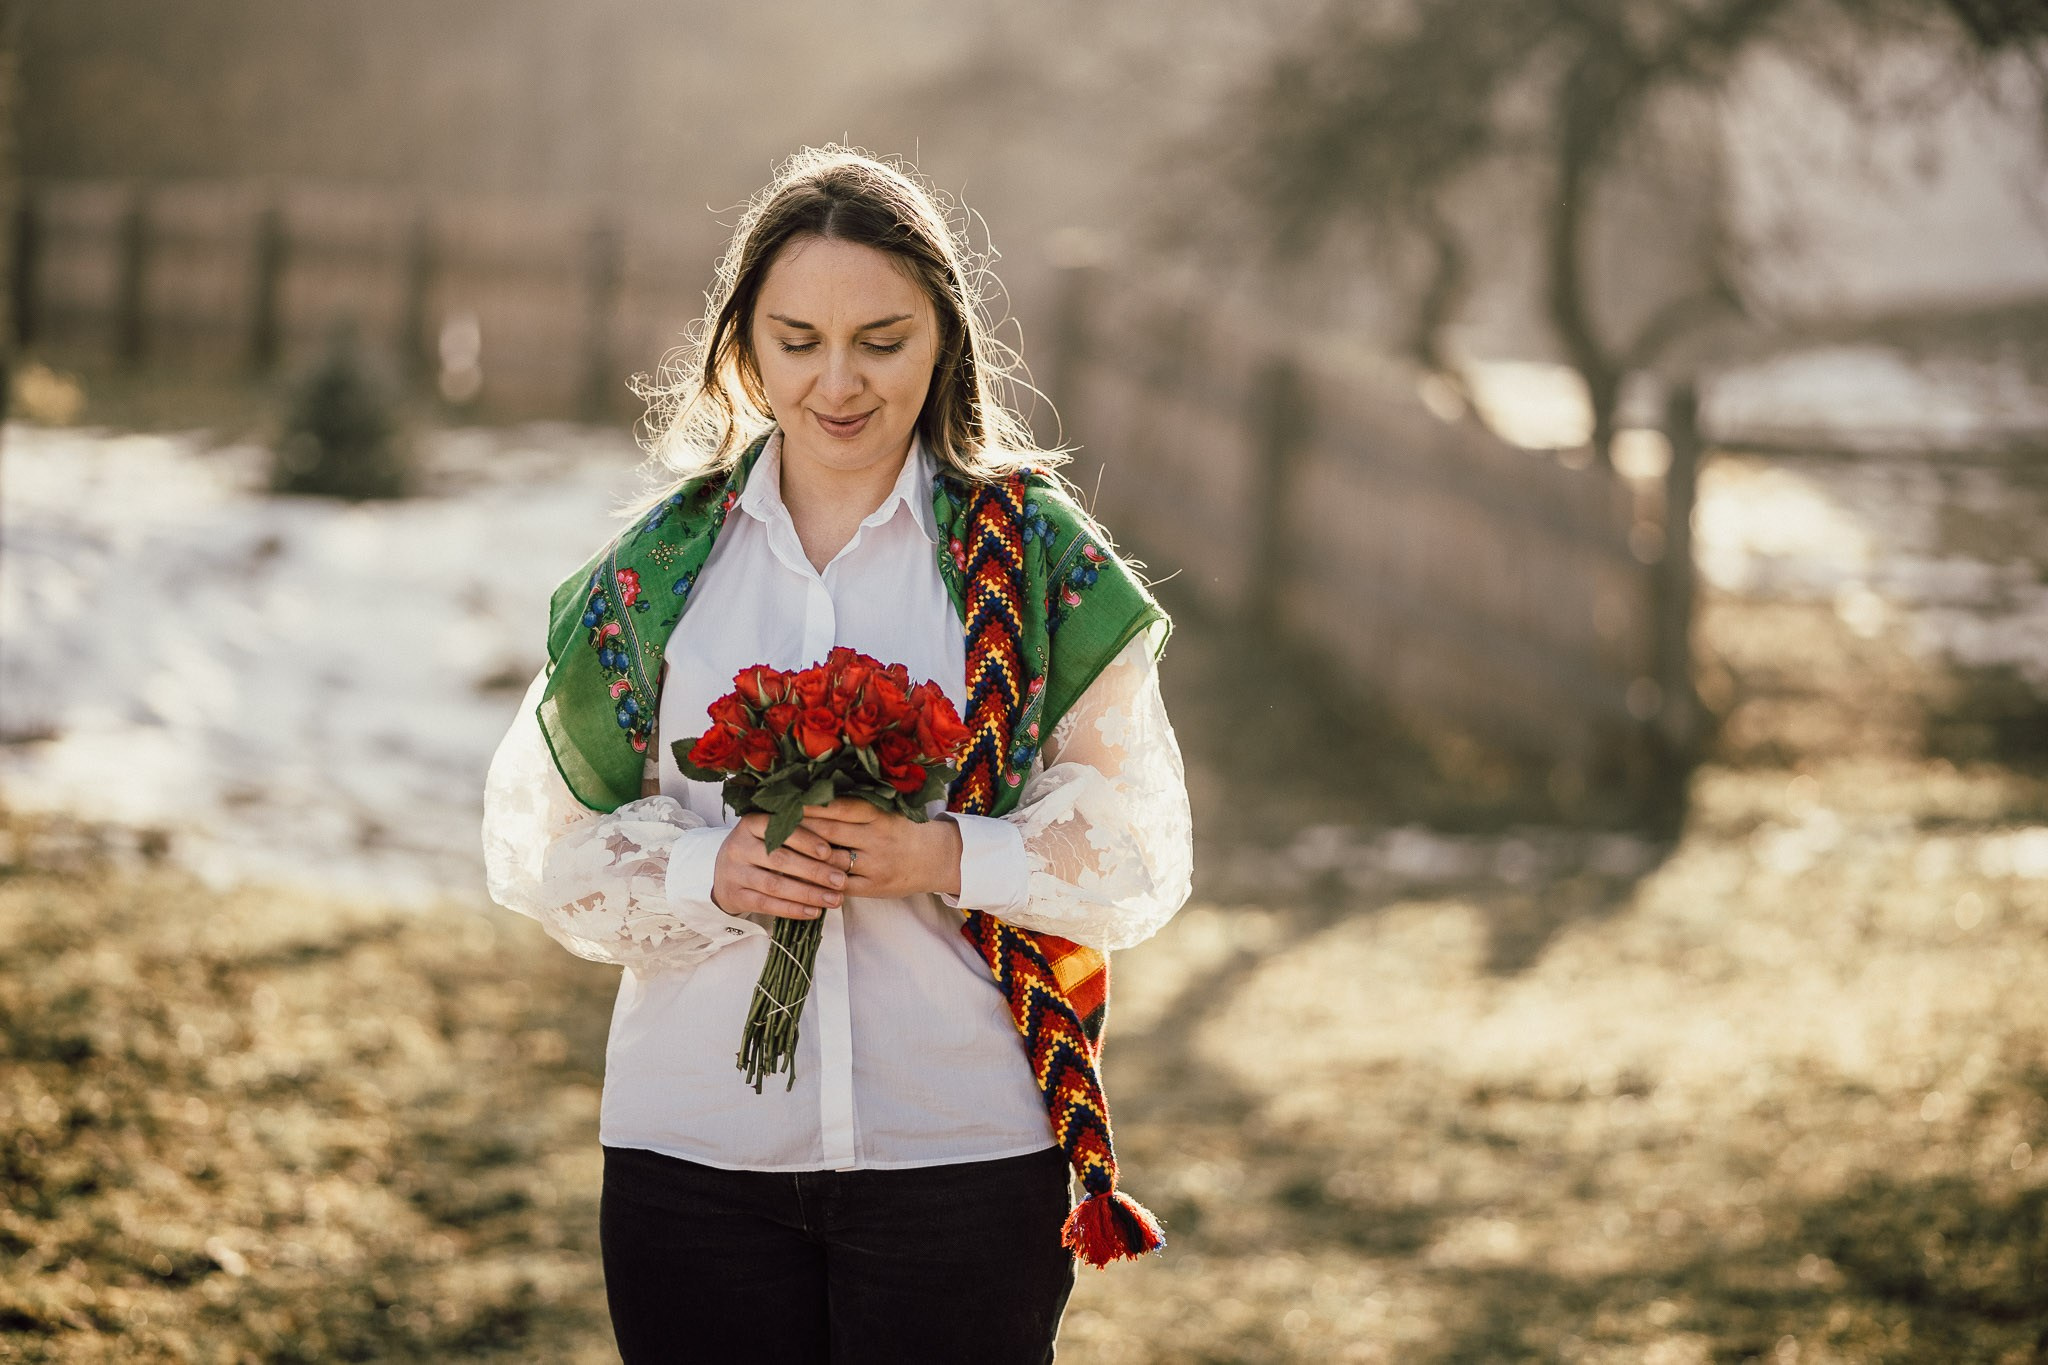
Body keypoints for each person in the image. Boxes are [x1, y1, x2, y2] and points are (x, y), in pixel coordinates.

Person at [480, 145, 1193, 1364]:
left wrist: (942, 852)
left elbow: (1139, 848)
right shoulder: (662, 571)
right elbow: (541, 845)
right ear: (743, 344)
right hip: (690, 1154)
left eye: (881, 338)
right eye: (796, 339)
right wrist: (714, 873)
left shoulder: (1028, 559)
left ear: (945, 340)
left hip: (962, 1153)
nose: (837, 381)